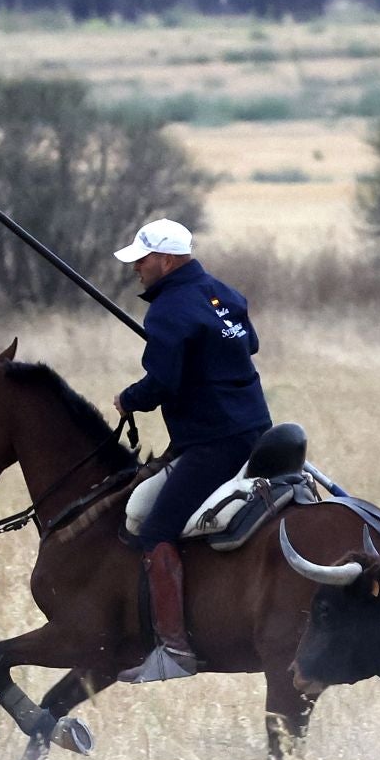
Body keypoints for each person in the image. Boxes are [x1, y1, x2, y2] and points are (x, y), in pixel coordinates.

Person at [111, 219, 271, 682]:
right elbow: (249, 344)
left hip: (213, 443)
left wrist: (129, 398)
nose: (137, 268)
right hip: (257, 430)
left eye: (142, 259)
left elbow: (162, 383)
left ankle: (174, 649)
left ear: (166, 259)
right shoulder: (224, 293)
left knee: (156, 528)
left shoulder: (167, 311)